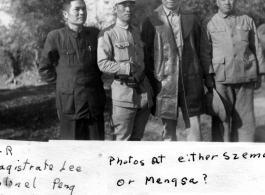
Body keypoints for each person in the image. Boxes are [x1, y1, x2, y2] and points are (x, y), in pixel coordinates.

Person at [39, 0, 106, 140]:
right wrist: (64, 85)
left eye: (84, 9)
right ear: (65, 13)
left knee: (97, 148)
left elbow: (101, 64)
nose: (82, 12)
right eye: (77, 9)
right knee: (71, 149)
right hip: (70, 105)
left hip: (94, 102)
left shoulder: (95, 35)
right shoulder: (56, 37)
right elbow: (45, 69)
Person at [200, 0, 265, 142]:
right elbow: (205, 52)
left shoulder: (247, 20)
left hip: (245, 76)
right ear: (217, 2)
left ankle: (244, 154)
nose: (227, 2)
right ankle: (221, 156)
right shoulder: (209, 22)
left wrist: (260, 73)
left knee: (245, 119)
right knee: (221, 118)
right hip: (220, 78)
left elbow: (256, 47)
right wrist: (207, 75)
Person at [141, 0, 205, 141]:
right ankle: (169, 161)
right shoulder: (151, 20)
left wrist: (206, 77)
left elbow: (201, 51)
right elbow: (146, 57)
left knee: (195, 130)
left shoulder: (192, 18)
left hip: (191, 81)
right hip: (165, 83)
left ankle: (195, 162)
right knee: (168, 131)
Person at [97, 0, 153, 141]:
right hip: (123, 95)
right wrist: (127, 68)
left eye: (131, 5)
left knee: (137, 139)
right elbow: (102, 64)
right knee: (121, 141)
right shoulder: (108, 34)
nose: (128, 9)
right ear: (116, 8)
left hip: (143, 93)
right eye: (124, 5)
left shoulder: (136, 32)